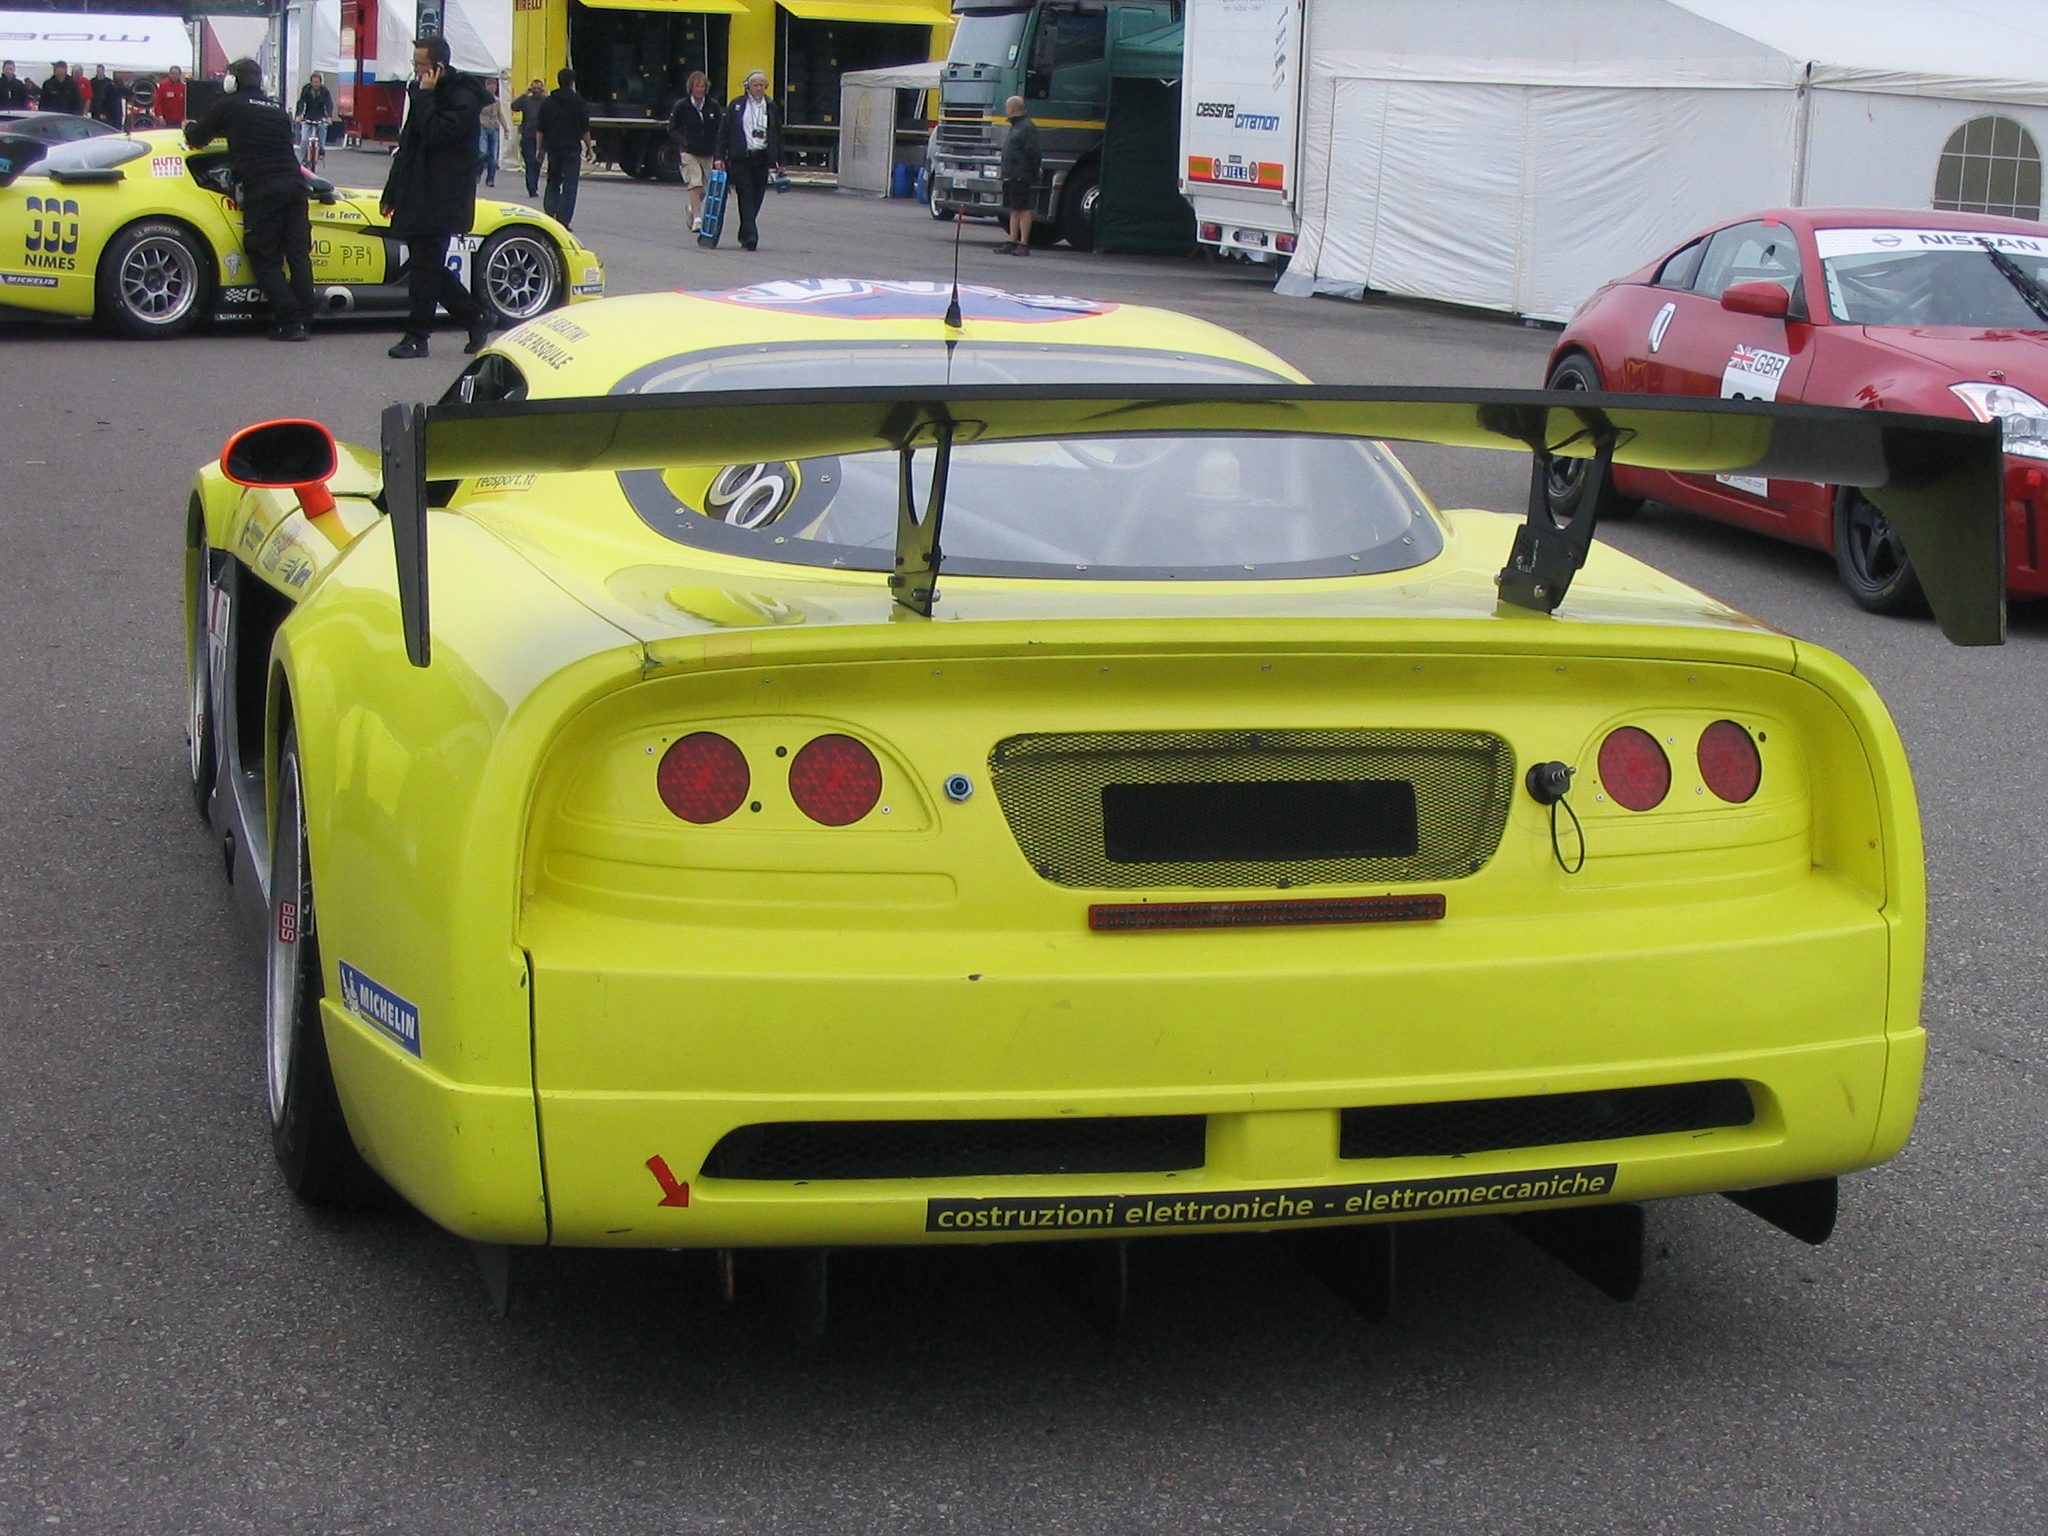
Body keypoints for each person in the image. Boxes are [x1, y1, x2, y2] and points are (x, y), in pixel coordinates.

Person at [184, 58, 314, 342]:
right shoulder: (279, 111)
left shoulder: (229, 106)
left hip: (263, 188)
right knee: (298, 254)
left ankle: (290, 322)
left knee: (263, 256)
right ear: (262, 82)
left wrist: (189, 126)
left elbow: (197, 138)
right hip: (295, 185)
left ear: (231, 82)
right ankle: (305, 318)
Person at [380, 34, 493, 359]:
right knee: (424, 265)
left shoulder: (463, 96)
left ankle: (417, 336)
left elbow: (436, 135)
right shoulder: (421, 91)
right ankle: (475, 316)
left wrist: (426, 97)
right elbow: (410, 143)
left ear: (438, 67)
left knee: (425, 267)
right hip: (416, 190)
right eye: (415, 63)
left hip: (443, 194)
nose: (415, 70)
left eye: (421, 65)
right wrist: (393, 191)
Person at [713, 70, 782, 253]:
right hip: (741, 158)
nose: (759, 89)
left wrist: (779, 160)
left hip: (762, 157)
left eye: (762, 85)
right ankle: (751, 236)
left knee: (757, 197)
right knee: (745, 195)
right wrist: (719, 156)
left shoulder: (771, 106)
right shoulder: (737, 104)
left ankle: (745, 232)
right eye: (756, 85)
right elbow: (724, 132)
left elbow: (777, 133)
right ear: (748, 87)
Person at [535, 67, 589, 228]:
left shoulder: (548, 102)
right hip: (571, 148)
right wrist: (589, 148)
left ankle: (550, 214)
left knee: (553, 180)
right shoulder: (578, 102)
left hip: (553, 149)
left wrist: (540, 150)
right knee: (570, 185)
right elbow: (585, 128)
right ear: (572, 83)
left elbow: (540, 129)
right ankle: (563, 221)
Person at [667, 70, 720, 234]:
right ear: (691, 87)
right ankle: (698, 218)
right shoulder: (682, 106)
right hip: (689, 151)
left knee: (707, 187)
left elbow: (720, 129)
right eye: (698, 86)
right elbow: (672, 128)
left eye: (703, 86)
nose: (700, 89)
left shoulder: (713, 106)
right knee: (694, 182)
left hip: (708, 151)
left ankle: (692, 206)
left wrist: (720, 151)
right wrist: (684, 142)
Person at [996, 95, 1039, 256]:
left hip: (1021, 174)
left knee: (1023, 209)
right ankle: (1012, 240)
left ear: (1013, 108)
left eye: (1007, 107)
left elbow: (1033, 151)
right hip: (1011, 174)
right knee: (1014, 209)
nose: (1006, 110)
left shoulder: (1026, 127)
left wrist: (1034, 170)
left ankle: (1024, 243)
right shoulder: (1016, 126)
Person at [511, 77, 546, 199]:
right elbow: (514, 106)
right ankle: (531, 188)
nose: (536, 90)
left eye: (538, 88)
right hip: (528, 136)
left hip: (542, 137)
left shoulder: (546, 101)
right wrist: (525, 94)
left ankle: (534, 185)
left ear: (542, 89)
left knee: (538, 163)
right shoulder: (527, 101)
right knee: (530, 162)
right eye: (534, 88)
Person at [294, 71, 333, 171]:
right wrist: (299, 115)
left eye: (317, 82)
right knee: (304, 140)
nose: (316, 84)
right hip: (308, 117)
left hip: (320, 117)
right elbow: (301, 103)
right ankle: (303, 162)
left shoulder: (324, 91)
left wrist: (329, 116)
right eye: (314, 82)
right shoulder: (306, 90)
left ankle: (322, 150)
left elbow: (328, 103)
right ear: (311, 82)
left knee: (322, 129)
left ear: (321, 83)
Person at [477, 76, 509, 189]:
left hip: (494, 127)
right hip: (482, 126)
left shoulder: (497, 100)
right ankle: (478, 170)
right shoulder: (480, 99)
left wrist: (506, 129)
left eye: (495, 85)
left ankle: (490, 179)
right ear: (486, 86)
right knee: (482, 152)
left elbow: (500, 114)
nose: (493, 87)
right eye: (491, 85)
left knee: (493, 156)